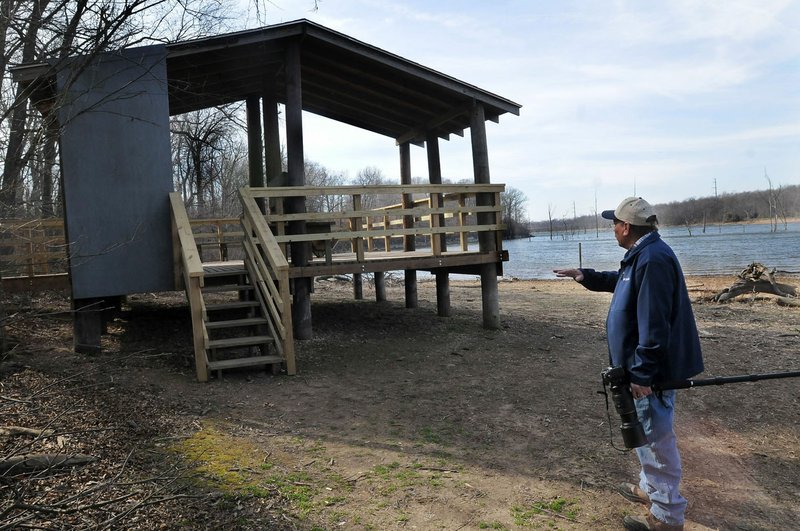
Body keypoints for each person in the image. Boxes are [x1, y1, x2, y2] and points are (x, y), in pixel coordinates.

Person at [553, 196, 704, 531]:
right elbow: (622, 282)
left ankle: (666, 517)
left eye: (614, 223)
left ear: (626, 227)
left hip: (650, 374)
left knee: (655, 439)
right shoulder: (641, 255)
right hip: (640, 370)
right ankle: (651, 491)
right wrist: (586, 276)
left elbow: (655, 321)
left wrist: (642, 372)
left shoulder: (653, 259)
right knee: (645, 433)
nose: (612, 229)